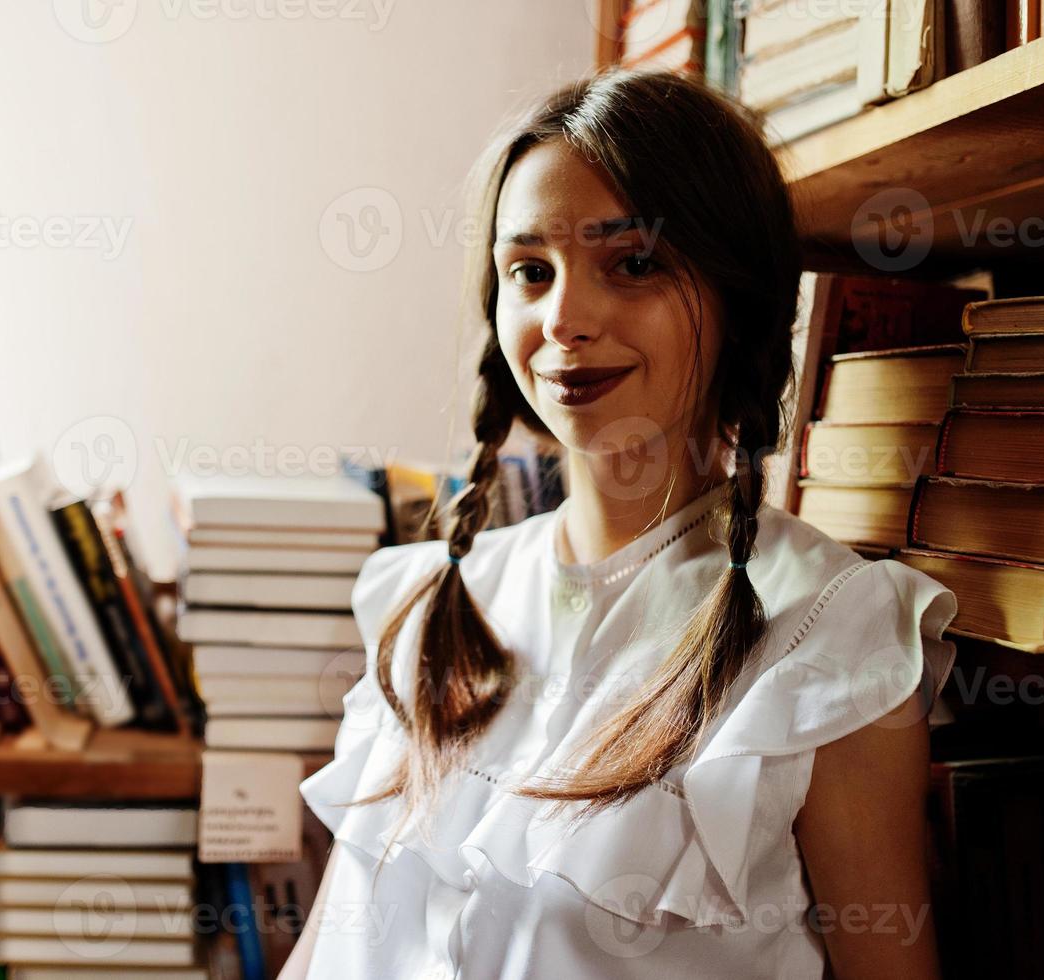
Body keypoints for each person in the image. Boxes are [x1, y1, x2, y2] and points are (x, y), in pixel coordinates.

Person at [281, 66, 957, 980]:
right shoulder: (428, 600)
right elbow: (330, 944)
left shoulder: (833, 630)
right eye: (529, 271)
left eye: (631, 264)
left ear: (738, 300)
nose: (563, 318)